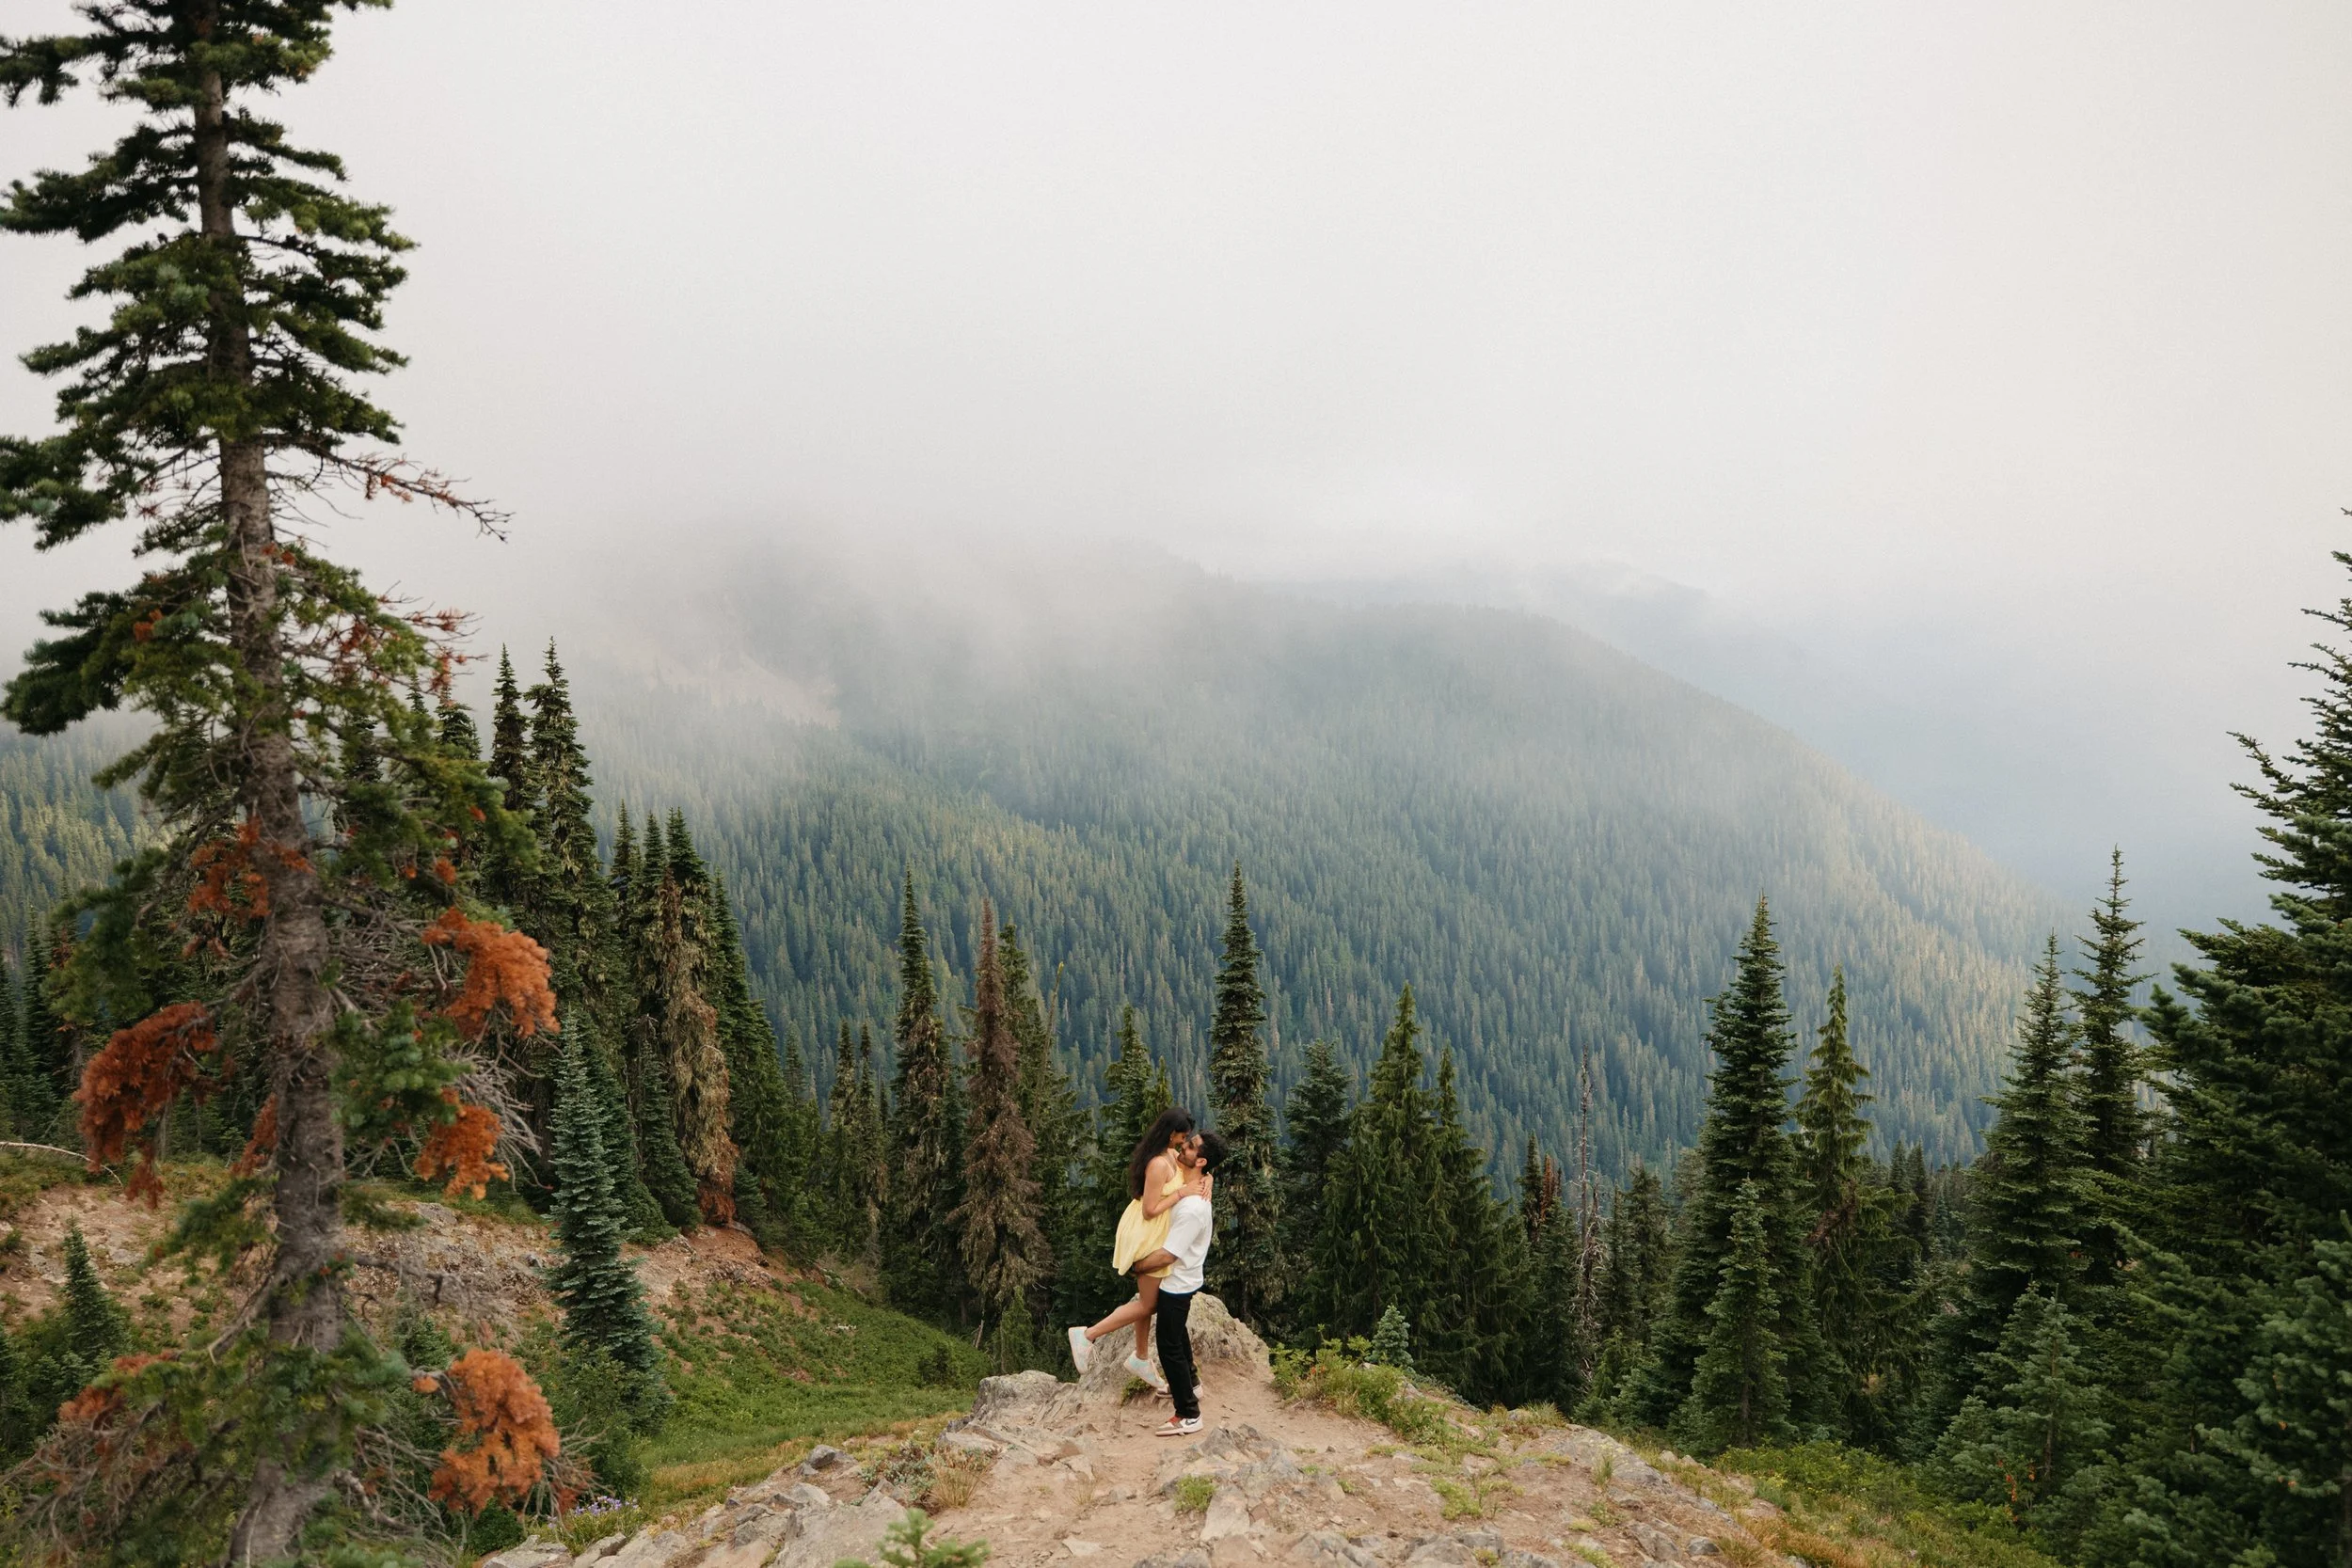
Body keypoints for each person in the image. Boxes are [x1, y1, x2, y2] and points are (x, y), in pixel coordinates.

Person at [1068, 1107, 1205, 1388]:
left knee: (1146, 1300)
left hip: (1155, 1232)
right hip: (1146, 1232)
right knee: (1149, 1303)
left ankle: (1141, 1357)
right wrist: (1182, 1193)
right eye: (1182, 1136)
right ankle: (1088, 1335)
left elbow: (1192, 1170)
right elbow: (1149, 1210)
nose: (1184, 1141)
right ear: (1171, 1134)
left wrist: (1207, 1179)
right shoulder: (1158, 1163)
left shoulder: (1169, 1155)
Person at [1130, 1130, 1222, 1436]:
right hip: (1184, 1278)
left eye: (1191, 1146)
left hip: (1178, 1282)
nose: (1184, 1146)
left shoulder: (1194, 1209)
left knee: (1168, 1346)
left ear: (1203, 1160)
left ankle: (1188, 1413)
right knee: (1177, 1335)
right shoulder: (1191, 1183)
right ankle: (1192, 1384)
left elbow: (1169, 1255)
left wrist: (1137, 1266)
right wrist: (1209, 1178)